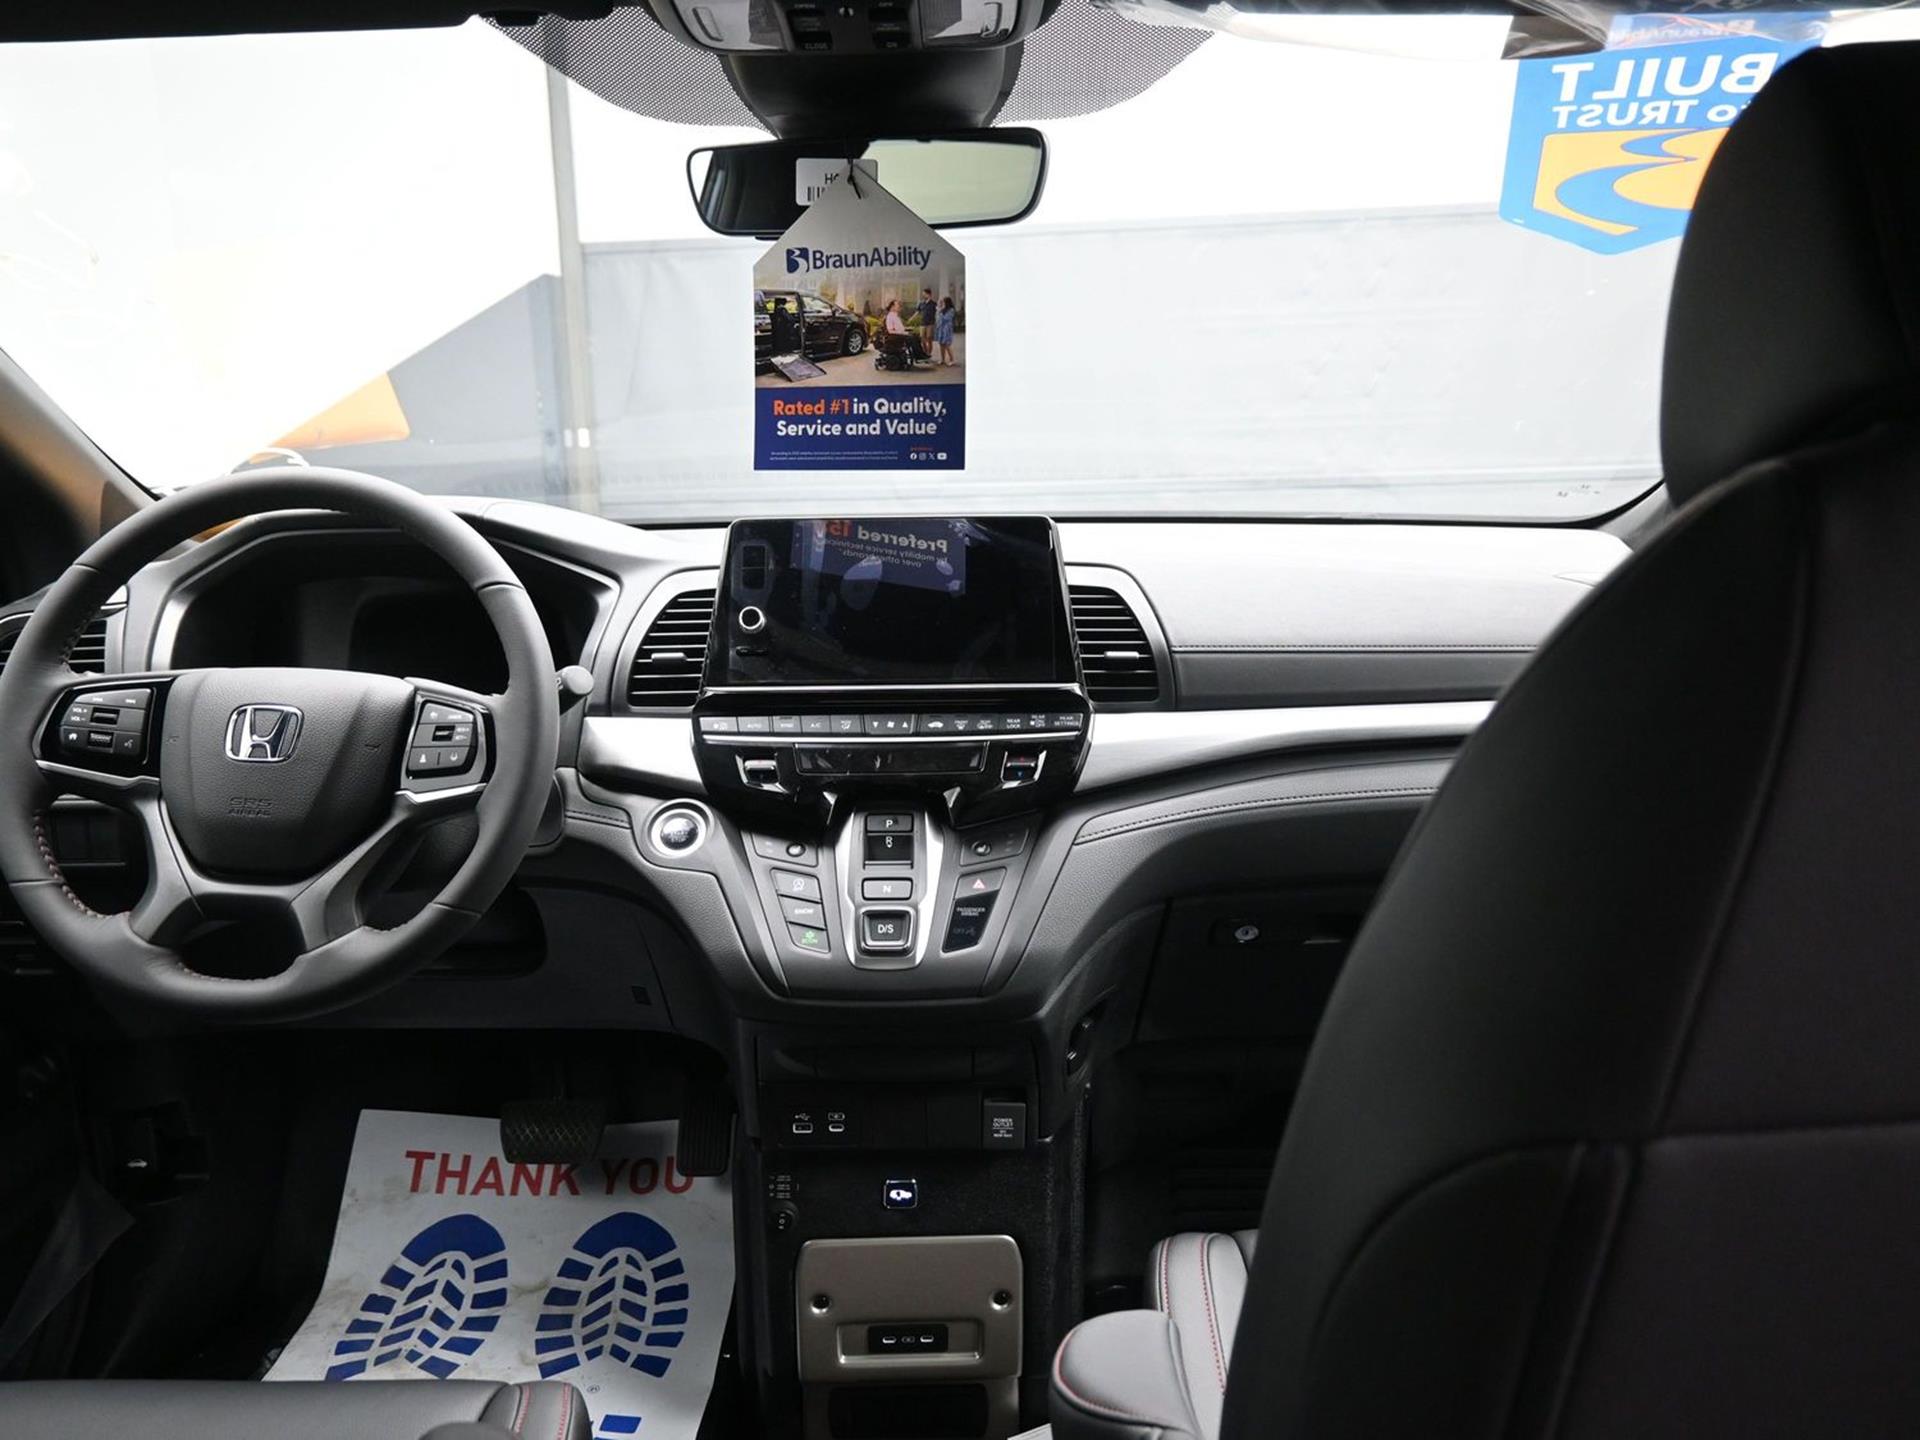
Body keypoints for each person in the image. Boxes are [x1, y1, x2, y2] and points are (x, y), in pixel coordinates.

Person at [935, 296, 956, 366]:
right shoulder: (942, 309)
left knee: (947, 345)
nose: (942, 303)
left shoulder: (951, 310)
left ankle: (952, 360)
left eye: (943, 302)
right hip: (941, 328)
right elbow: (938, 319)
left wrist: (940, 311)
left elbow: (946, 318)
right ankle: (942, 359)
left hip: (947, 328)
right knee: (941, 344)